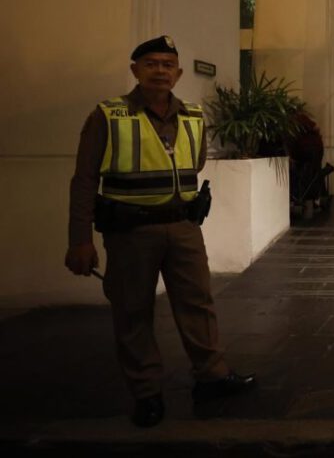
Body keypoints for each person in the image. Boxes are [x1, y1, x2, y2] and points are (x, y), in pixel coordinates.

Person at [64, 36, 256, 427]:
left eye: (168, 64)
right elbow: (84, 180)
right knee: (133, 311)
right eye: (151, 63)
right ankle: (147, 393)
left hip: (184, 228)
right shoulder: (109, 115)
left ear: (178, 73)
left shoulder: (192, 116)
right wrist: (79, 239)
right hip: (131, 232)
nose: (160, 70)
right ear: (135, 70)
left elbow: (196, 163)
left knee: (198, 303)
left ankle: (213, 376)